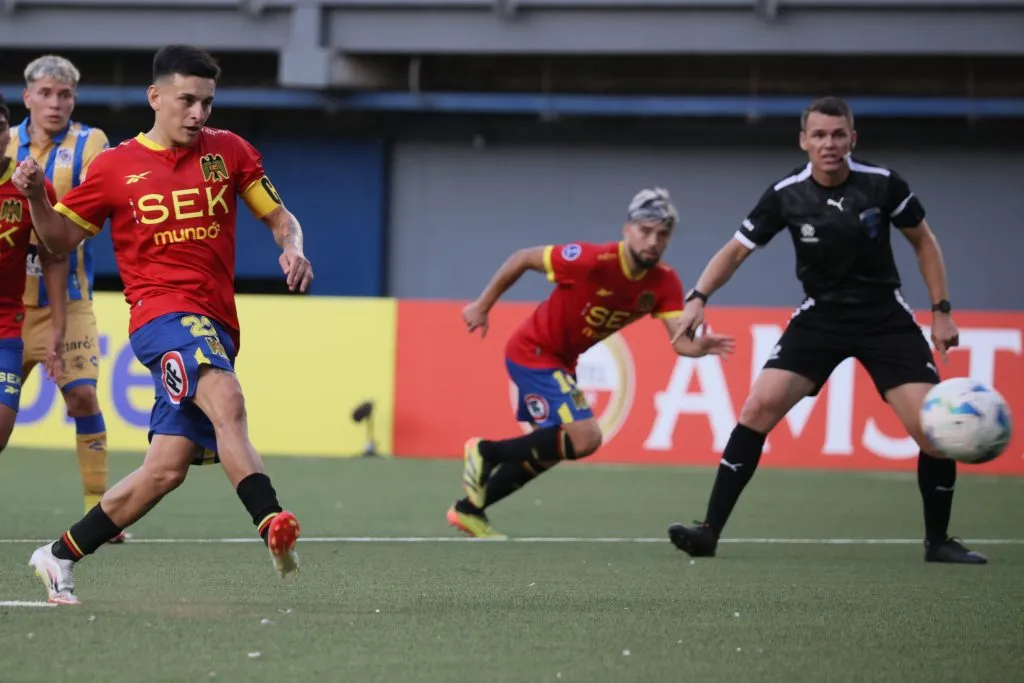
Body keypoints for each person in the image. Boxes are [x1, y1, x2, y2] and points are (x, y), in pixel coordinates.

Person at [12, 45, 314, 605]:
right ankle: (270, 519)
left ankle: (57, 555)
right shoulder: (114, 167)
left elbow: (278, 216)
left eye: (207, 103)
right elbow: (58, 239)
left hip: (216, 322)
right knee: (227, 398)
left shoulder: (229, 152)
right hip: (161, 316)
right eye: (186, 100)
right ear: (156, 97)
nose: (198, 113)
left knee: (165, 469)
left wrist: (292, 245)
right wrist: (35, 196)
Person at [665, 96, 985, 564]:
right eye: (819, 135)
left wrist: (941, 310)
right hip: (820, 317)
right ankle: (708, 532)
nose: (829, 144)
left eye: (837, 135)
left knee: (933, 430)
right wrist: (697, 297)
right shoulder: (785, 194)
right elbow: (735, 251)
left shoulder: (883, 184)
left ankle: (938, 542)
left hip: (884, 319)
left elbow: (925, 242)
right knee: (758, 407)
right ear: (804, 141)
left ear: (853, 138)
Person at [449, 188, 735, 539]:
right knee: (586, 438)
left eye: (662, 234)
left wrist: (699, 346)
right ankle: (485, 451)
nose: (653, 241)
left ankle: (469, 510)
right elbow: (522, 258)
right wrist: (482, 305)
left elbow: (681, 342)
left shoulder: (665, 282)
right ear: (627, 229)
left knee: (553, 448)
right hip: (533, 351)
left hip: (563, 362)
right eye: (645, 231)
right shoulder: (590, 259)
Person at [5, 56, 125, 540]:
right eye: (46, 94)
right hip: (9, 304)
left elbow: (100, 202)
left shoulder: (91, 143)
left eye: (65, 95)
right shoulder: (4, 141)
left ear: (74, 100)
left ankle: (100, 512)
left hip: (69, 298)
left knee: (82, 395)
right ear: (27, 97)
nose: (55, 103)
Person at [0, 96, 66, 454]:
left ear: (8, 134)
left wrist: (58, 329)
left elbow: (53, 257)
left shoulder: (29, 185)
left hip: (5, 325)